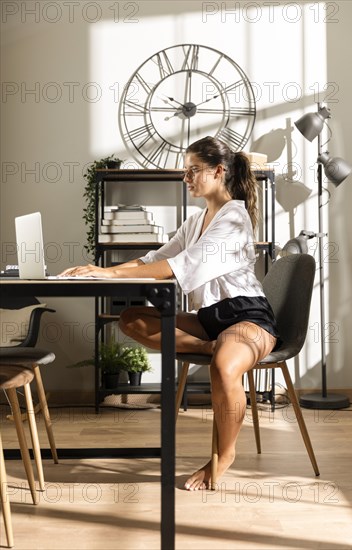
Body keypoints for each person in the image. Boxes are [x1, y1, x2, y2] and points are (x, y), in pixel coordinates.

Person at [60, 136, 280, 490]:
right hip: (209, 319)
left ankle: (224, 456)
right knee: (131, 319)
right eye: (185, 170)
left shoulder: (234, 217)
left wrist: (110, 273)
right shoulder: (196, 220)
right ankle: (213, 348)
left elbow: (179, 266)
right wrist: (99, 269)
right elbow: (153, 260)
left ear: (218, 171)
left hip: (248, 317)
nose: (186, 177)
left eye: (193, 170)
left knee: (224, 368)